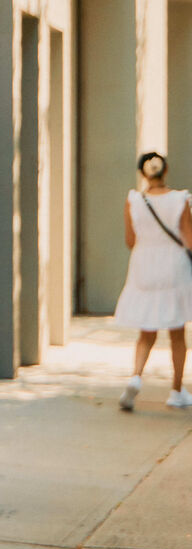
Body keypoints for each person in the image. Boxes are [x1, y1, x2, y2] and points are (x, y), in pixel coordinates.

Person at [115, 151, 192, 410]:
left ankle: (136, 377)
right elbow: (189, 240)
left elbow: (129, 240)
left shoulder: (133, 200)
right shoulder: (181, 199)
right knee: (177, 331)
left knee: (146, 331)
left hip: (144, 265)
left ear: (143, 173)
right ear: (165, 170)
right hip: (174, 266)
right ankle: (176, 390)